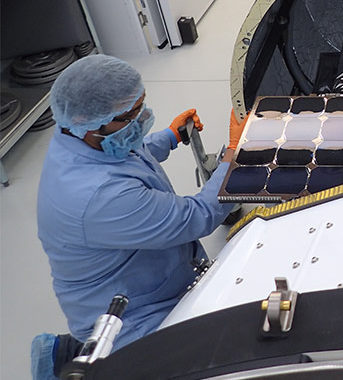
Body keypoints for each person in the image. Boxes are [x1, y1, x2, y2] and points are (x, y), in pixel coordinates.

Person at [32, 55, 247, 378]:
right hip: (135, 315)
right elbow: (197, 216)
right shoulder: (100, 198)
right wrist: (234, 156)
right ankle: (89, 357)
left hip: (146, 281)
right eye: (132, 115)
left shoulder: (81, 140)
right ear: (89, 123)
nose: (143, 117)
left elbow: (129, 154)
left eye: (142, 105)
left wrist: (170, 137)